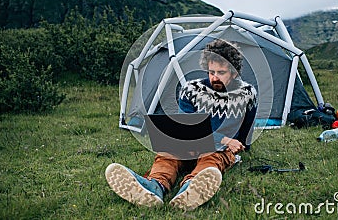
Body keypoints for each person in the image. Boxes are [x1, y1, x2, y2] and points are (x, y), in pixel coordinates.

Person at [105, 39, 257, 211]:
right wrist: (224, 139)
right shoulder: (191, 89)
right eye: (211, 71)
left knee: (212, 157)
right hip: (193, 142)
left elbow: (246, 129)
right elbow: (187, 127)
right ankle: (154, 186)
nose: (214, 77)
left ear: (234, 73)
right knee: (168, 153)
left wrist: (241, 145)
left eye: (221, 72)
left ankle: (190, 188)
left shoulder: (247, 94)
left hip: (218, 150)